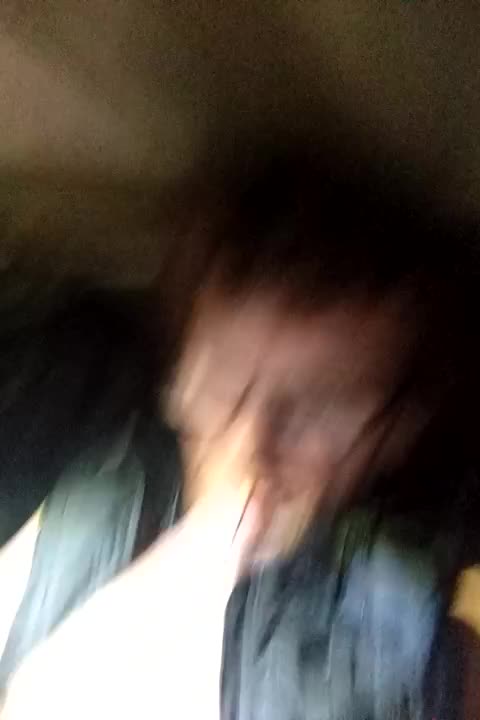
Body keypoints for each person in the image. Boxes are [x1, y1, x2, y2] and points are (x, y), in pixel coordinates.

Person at [0, 159, 478, 719]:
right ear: (176, 384)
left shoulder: (422, 639)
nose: (249, 448)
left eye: (317, 409)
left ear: (394, 432)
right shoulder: (67, 523)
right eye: (221, 386)